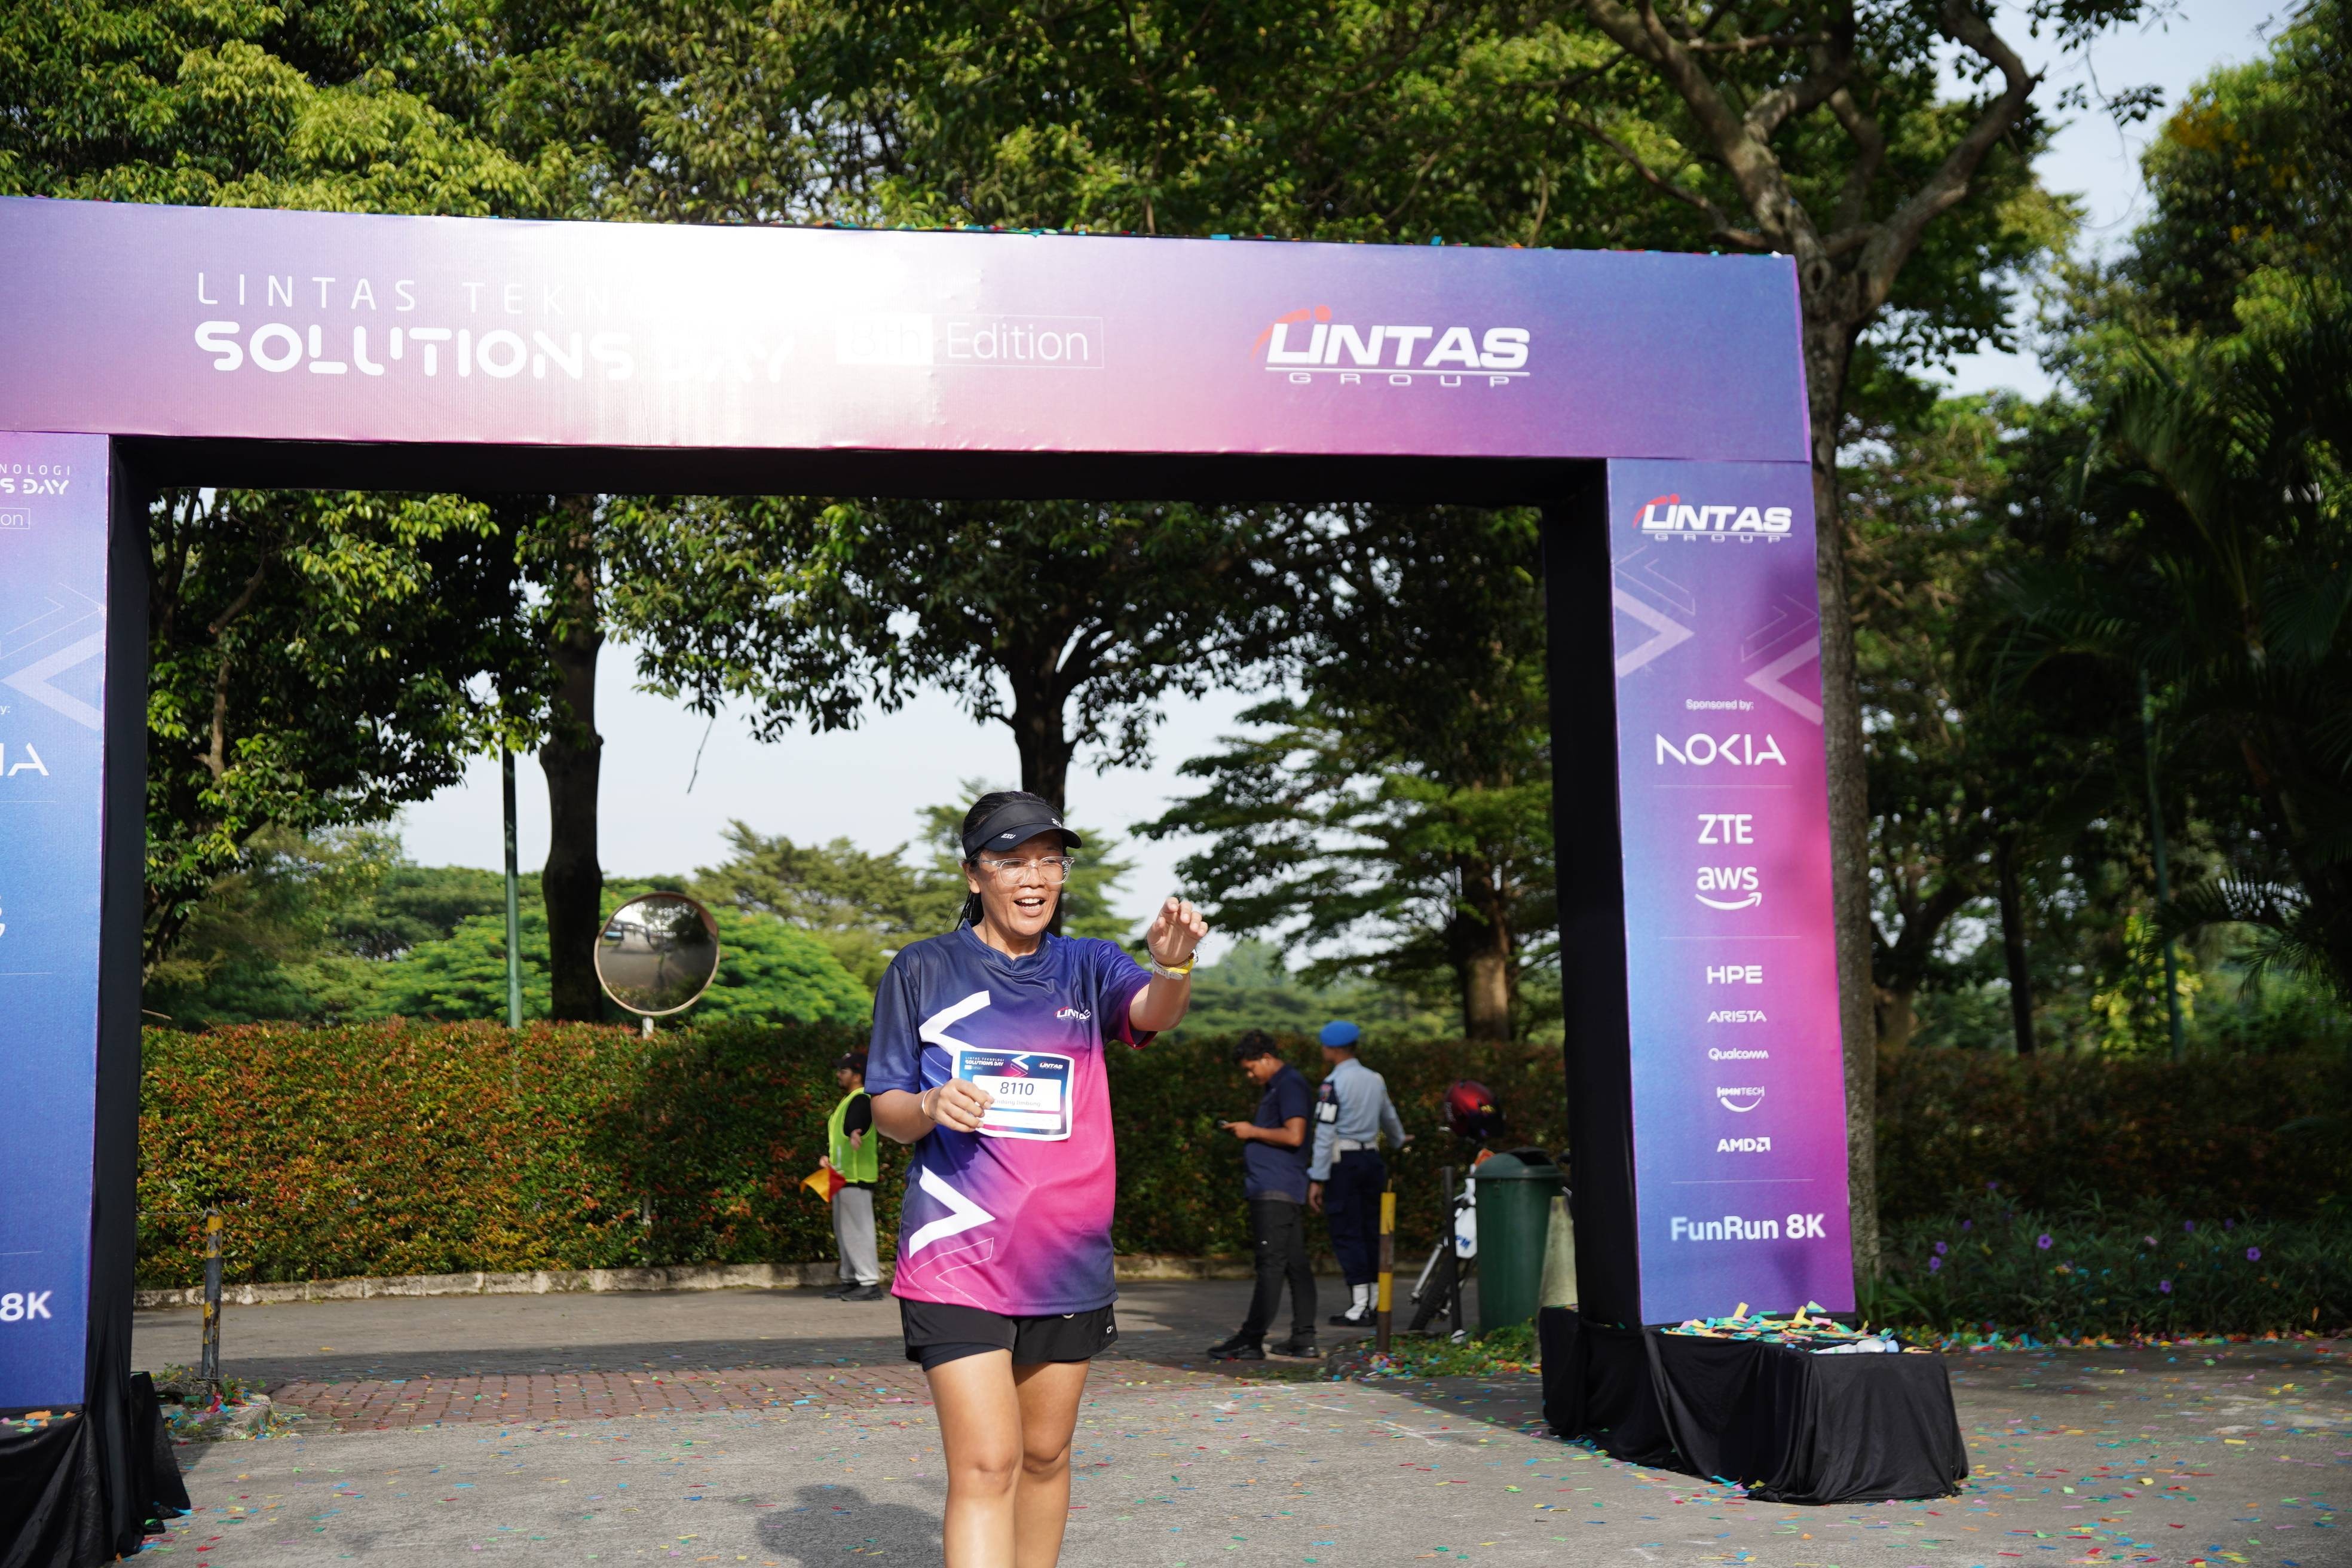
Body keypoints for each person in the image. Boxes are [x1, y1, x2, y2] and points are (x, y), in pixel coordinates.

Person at [866, 789, 1207, 1568]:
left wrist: (1173, 963)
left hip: (1066, 1258)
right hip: (956, 1257)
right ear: (973, 873)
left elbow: (1154, 1011)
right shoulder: (923, 968)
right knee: (988, 1463)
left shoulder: (1087, 964)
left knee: (1046, 1455)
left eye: (1049, 861)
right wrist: (929, 1104)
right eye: (1012, 861)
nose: (1034, 878)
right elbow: (887, 1109)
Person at [1205, 1031, 1318, 1361]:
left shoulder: (1289, 1083)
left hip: (1275, 1188)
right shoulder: (1281, 1085)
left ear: (1267, 1058)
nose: (1250, 1076)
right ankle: (1304, 1338)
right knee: (1296, 1265)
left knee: (1271, 1265)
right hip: (1283, 1186)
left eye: (1251, 1068)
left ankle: (1251, 1340)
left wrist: (1250, 1130)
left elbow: (1294, 1135)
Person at [1307, 1019, 1410, 1328]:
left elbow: (1325, 1132)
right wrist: (1399, 1140)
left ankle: (1359, 1305)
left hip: (1345, 1164)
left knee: (1346, 1230)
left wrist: (1317, 1177)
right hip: (1372, 1160)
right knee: (1372, 1230)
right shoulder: (1375, 1079)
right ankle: (1377, 1302)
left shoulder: (1333, 1083)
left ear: (1333, 1049)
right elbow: (1389, 1115)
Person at [820, 1051, 883, 1301]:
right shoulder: (848, 1101)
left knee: (858, 1232)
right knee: (845, 1232)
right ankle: (851, 1279)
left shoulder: (862, 1097)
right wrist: (827, 1157)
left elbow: (857, 1122)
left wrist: (855, 1131)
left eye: (843, 1071)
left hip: (856, 1178)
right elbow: (841, 1136)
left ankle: (869, 1283)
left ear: (857, 1076)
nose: (839, 1075)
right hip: (841, 1178)